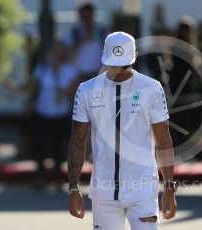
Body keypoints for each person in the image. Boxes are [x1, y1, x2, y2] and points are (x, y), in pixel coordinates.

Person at [67, 32, 177, 229]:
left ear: (135, 56)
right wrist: (73, 188)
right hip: (104, 191)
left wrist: (169, 187)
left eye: (124, 64)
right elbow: (77, 140)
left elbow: (163, 140)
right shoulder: (87, 90)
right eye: (113, 64)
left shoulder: (152, 88)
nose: (119, 70)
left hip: (142, 189)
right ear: (104, 57)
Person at [27, 40, 78, 190]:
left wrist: (61, 90)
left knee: (59, 146)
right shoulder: (42, 69)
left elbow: (72, 91)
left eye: (59, 52)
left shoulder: (70, 70)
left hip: (61, 113)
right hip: (42, 111)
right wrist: (29, 102)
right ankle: (39, 177)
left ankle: (58, 177)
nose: (56, 55)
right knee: (41, 145)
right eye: (54, 52)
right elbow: (34, 88)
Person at [66, 2, 106, 82]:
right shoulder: (75, 33)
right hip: (79, 75)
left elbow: (107, 52)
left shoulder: (101, 32)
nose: (87, 19)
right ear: (80, 16)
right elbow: (68, 54)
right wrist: (82, 40)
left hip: (98, 74)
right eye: (84, 16)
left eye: (89, 16)